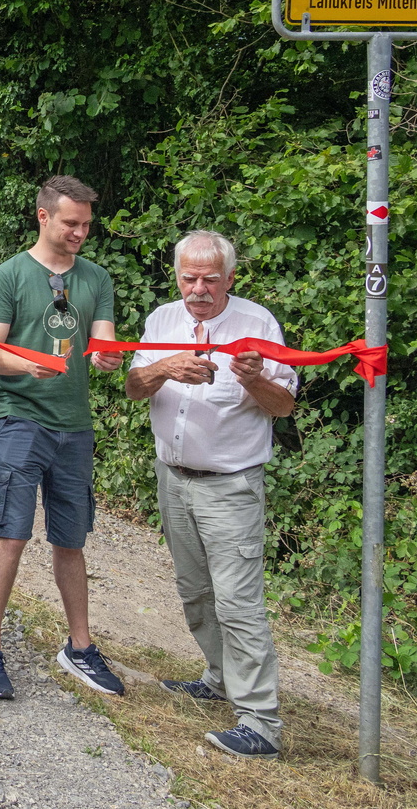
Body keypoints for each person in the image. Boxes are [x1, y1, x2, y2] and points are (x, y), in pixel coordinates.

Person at [124, 230, 296, 759]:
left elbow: (284, 405)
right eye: (189, 277)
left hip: (231, 486)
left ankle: (261, 722)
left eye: (210, 279)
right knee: (194, 591)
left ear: (230, 278)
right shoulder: (161, 320)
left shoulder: (257, 323)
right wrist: (162, 367)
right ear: (177, 275)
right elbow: (134, 386)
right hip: (173, 480)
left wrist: (253, 379)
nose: (198, 289)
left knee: (239, 603)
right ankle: (219, 678)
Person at [0, 175, 125, 701]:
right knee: (10, 533)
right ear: (43, 216)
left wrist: (107, 357)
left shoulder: (96, 278)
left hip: (74, 424)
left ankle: (80, 647)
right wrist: (28, 365)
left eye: (86, 224)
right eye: (71, 223)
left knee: (71, 538)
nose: (81, 232)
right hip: (19, 417)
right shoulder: (9, 276)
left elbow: (102, 344)